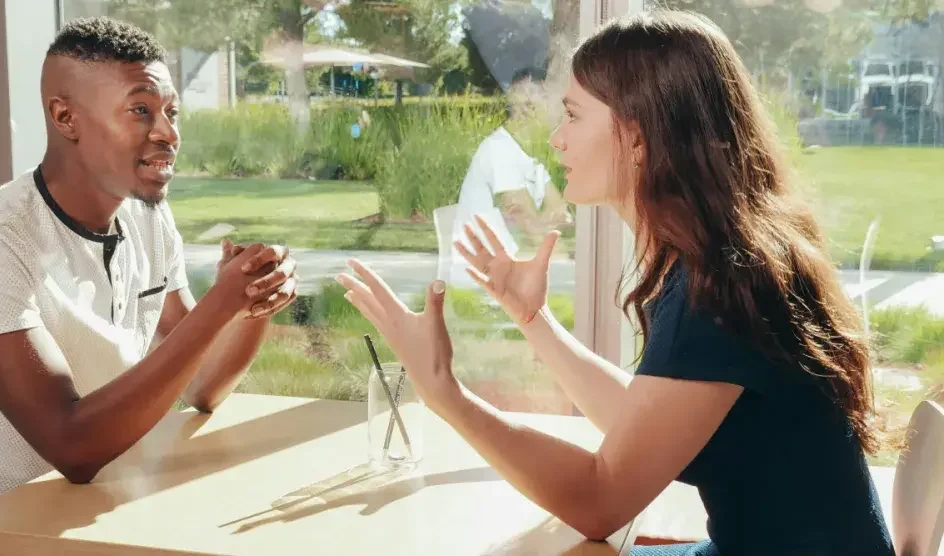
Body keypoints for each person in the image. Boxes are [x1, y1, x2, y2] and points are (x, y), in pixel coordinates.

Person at [338, 11, 894, 555]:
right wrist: (534, 320)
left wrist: (445, 394)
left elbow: (601, 502)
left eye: (574, 116)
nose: (556, 139)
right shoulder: (722, 258)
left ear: (639, 137)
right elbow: (647, 423)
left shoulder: (718, 287)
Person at [0, 17, 299, 522]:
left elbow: (201, 385)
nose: (169, 133)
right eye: (141, 110)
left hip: (102, 509)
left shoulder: (147, 219)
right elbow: (72, 445)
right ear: (66, 118)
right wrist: (221, 303)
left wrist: (253, 299)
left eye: (171, 112)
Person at [446, 67, 572, 288]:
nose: (557, 113)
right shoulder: (500, 150)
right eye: (546, 99)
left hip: (508, 275)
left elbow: (562, 215)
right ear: (526, 106)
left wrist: (542, 223)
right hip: (481, 284)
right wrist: (569, 269)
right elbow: (529, 225)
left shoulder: (531, 158)